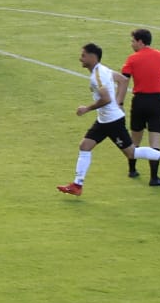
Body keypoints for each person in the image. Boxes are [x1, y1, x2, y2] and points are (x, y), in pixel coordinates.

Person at [58, 42, 147, 196]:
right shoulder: (103, 69)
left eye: (83, 55)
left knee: (132, 153)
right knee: (85, 146)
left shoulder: (97, 76)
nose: (81, 59)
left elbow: (105, 99)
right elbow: (123, 80)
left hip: (113, 122)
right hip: (104, 120)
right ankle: (77, 185)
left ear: (93, 57)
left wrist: (87, 108)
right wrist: (119, 102)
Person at [117, 28, 160, 186]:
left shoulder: (132, 59)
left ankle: (132, 170)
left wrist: (119, 102)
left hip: (139, 101)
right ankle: (154, 178)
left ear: (140, 41)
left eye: (133, 41)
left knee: (135, 138)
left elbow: (123, 81)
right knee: (155, 141)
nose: (132, 44)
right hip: (156, 102)